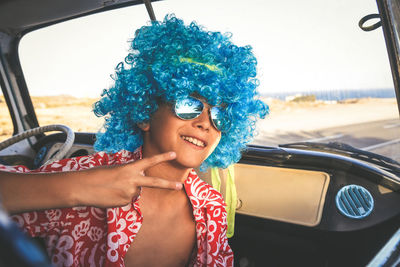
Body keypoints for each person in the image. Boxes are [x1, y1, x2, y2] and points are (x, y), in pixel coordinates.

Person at [0, 15, 267, 266]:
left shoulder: (211, 205)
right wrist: (78, 187)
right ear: (144, 113)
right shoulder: (89, 174)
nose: (205, 123)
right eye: (189, 105)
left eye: (220, 116)